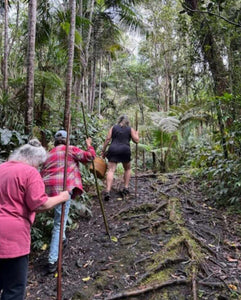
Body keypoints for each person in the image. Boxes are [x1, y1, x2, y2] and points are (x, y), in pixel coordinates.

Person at [0, 139, 69, 300]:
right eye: (39, 165)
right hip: (13, 238)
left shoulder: (1, 168)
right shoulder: (30, 172)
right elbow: (40, 204)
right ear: (35, 161)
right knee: (14, 289)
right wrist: (61, 197)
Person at [40, 130, 96, 273]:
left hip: (49, 190)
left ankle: (62, 239)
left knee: (59, 219)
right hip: (63, 189)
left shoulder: (49, 153)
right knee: (59, 224)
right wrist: (89, 145)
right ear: (66, 140)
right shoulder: (69, 150)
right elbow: (89, 157)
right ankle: (52, 261)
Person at [101, 115, 139, 201]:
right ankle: (125, 187)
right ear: (128, 121)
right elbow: (136, 140)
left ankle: (108, 191)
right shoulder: (130, 129)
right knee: (127, 169)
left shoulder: (113, 127)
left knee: (111, 170)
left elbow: (107, 139)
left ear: (119, 121)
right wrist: (137, 134)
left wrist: (103, 150)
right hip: (125, 150)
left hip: (113, 149)